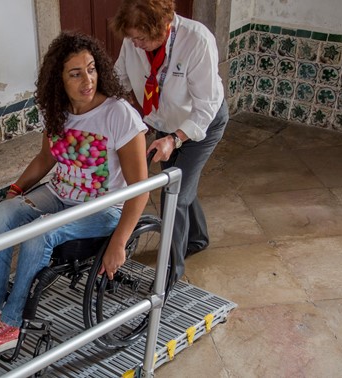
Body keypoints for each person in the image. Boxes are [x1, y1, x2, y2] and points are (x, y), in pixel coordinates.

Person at [0, 32, 149, 356]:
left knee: (38, 235)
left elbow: (141, 190)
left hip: (102, 208)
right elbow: (46, 158)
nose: (88, 80)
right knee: (2, 214)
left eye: (91, 68)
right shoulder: (57, 110)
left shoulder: (119, 115)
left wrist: (119, 243)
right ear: (59, 79)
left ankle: (12, 321)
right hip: (59, 193)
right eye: (76, 73)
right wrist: (15, 192)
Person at [112, 0, 228, 282]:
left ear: (162, 27)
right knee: (183, 184)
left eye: (141, 38)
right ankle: (197, 239)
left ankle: (168, 277)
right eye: (131, 37)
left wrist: (175, 140)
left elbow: (206, 107)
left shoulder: (196, 40)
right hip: (163, 121)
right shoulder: (133, 41)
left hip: (201, 125)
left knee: (173, 196)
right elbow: (119, 79)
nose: (135, 44)